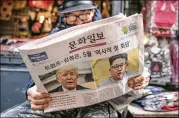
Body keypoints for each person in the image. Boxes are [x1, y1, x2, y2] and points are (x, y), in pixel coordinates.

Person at [1, 0, 150, 117]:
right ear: (64, 17)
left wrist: (144, 76)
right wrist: (31, 92)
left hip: (101, 103)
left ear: (94, 12)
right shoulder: (54, 35)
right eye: (72, 16)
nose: (78, 21)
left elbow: (138, 64)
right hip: (58, 105)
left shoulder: (111, 31)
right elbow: (34, 79)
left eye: (84, 14)